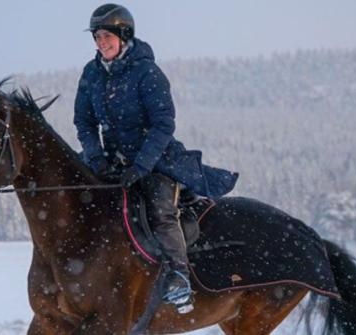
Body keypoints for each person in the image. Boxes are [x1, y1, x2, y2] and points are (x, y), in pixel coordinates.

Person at [73, 3, 238, 314]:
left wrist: (141, 166)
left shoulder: (147, 72)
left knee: (161, 211)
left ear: (124, 35)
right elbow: (83, 122)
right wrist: (96, 158)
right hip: (109, 159)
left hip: (156, 158)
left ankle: (179, 278)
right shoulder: (91, 73)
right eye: (96, 37)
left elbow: (163, 124)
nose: (101, 42)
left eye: (107, 36)